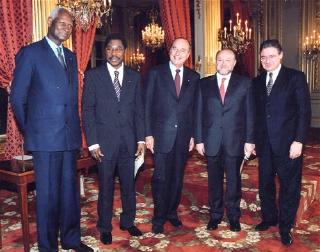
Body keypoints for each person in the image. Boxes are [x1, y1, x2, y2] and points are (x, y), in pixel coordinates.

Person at [10, 7, 93, 252]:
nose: (66, 28)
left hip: (69, 138)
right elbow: (17, 98)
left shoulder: (71, 56)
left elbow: (71, 99)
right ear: (50, 21)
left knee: (70, 195)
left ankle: (71, 239)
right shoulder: (30, 53)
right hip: (44, 140)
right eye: (62, 23)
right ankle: (48, 247)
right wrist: (31, 130)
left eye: (70, 26)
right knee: (47, 198)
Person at [82, 34, 145, 245]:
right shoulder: (93, 76)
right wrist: (93, 142)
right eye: (109, 49)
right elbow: (88, 110)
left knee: (129, 185)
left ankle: (128, 221)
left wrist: (141, 140)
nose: (114, 53)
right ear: (105, 51)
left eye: (118, 49)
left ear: (124, 51)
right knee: (106, 187)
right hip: (104, 144)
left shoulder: (134, 77)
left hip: (129, 143)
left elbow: (139, 111)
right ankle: (105, 226)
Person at [253, 39, 311, 246]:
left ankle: (286, 226)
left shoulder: (295, 77)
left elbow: (304, 112)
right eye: (263, 57)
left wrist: (299, 140)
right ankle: (269, 218)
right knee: (265, 184)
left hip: (289, 144)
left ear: (281, 55)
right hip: (264, 144)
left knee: (289, 186)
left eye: (271, 56)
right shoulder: (257, 81)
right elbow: (256, 115)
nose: (267, 60)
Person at [195, 49, 255, 232]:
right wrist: (198, 139)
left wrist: (249, 140)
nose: (223, 64)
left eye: (228, 60)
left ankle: (234, 217)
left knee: (234, 182)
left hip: (235, 141)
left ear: (234, 62)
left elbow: (250, 114)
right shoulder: (203, 84)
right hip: (211, 141)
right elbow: (198, 113)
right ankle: (215, 215)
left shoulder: (245, 83)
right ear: (215, 61)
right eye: (220, 60)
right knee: (213, 182)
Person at [144, 38, 200, 234]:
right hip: (160, 136)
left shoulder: (194, 76)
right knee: (160, 177)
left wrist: (193, 135)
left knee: (177, 176)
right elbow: (147, 106)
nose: (178, 53)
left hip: (183, 136)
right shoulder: (155, 73)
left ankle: (171, 213)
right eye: (175, 49)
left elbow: (195, 109)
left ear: (188, 55)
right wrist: (148, 134)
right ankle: (158, 217)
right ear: (170, 51)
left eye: (183, 50)